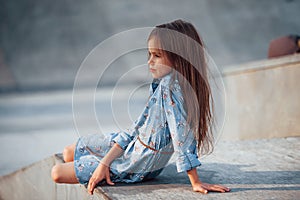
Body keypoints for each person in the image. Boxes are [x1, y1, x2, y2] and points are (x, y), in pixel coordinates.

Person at [51, 19, 230, 195]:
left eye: (157, 56)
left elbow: (181, 137)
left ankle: (99, 165)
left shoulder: (172, 89)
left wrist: (195, 182)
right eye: (149, 54)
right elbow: (137, 127)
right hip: (133, 144)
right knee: (68, 152)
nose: (149, 61)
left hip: (134, 164)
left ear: (178, 58)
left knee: (57, 173)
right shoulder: (163, 84)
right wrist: (106, 160)